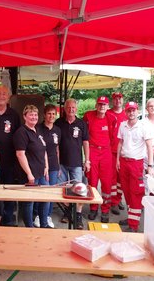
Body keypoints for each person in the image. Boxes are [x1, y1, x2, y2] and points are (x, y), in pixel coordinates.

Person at [0, 85, 21, 226]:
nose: (1, 96)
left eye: (4, 94)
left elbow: (19, 135)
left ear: (9, 96)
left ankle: (8, 219)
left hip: (9, 160)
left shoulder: (14, 114)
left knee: (9, 190)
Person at [117, 102, 154, 232]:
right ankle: (131, 217)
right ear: (126, 112)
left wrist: (150, 165)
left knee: (136, 193)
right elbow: (120, 143)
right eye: (129, 111)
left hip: (136, 164)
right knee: (126, 192)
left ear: (137, 111)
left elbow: (149, 146)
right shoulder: (123, 125)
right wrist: (117, 160)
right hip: (124, 161)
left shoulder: (143, 126)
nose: (131, 113)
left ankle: (134, 226)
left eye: (133, 110)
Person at [55, 98, 90, 230]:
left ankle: (78, 216)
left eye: (73, 108)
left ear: (76, 109)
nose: (71, 110)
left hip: (76, 163)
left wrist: (87, 160)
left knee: (78, 191)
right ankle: (68, 212)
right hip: (61, 163)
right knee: (63, 189)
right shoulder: (58, 123)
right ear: (64, 109)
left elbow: (86, 143)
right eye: (68, 107)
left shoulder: (81, 124)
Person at [13, 105, 50, 228]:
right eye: (31, 114)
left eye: (35, 114)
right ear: (24, 116)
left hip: (41, 172)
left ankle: (43, 224)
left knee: (45, 199)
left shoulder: (38, 130)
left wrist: (46, 167)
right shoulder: (21, 132)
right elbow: (20, 154)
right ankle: (29, 227)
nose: (34, 117)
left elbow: (44, 150)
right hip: (30, 174)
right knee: (29, 202)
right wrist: (29, 174)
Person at [83, 96, 114, 223]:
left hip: (106, 151)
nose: (102, 107)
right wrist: (87, 158)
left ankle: (105, 210)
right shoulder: (88, 116)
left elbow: (112, 136)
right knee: (92, 181)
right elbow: (85, 134)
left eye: (104, 105)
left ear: (108, 107)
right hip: (93, 150)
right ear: (96, 105)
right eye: (100, 104)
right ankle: (93, 207)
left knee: (107, 182)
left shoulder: (111, 118)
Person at [35, 104, 61, 228]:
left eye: (53, 114)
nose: (51, 116)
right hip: (41, 164)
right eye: (49, 113)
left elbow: (57, 148)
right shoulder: (38, 128)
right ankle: (38, 216)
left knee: (52, 192)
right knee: (42, 191)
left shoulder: (57, 130)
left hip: (54, 165)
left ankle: (48, 216)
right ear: (44, 115)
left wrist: (59, 166)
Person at [106, 92, 127, 215]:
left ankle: (118, 199)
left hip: (124, 152)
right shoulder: (108, 113)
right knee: (112, 178)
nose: (118, 100)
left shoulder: (127, 113)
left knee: (121, 179)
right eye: (115, 99)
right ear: (112, 101)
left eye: (120, 98)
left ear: (123, 100)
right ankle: (112, 202)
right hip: (111, 151)